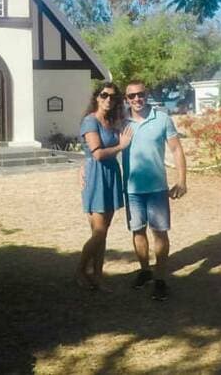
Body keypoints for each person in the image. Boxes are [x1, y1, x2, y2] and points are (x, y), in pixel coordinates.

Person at [122, 80, 187, 301]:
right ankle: (144, 271)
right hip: (131, 189)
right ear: (126, 99)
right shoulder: (121, 122)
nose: (137, 99)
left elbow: (177, 149)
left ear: (146, 95)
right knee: (137, 231)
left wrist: (182, 180)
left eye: (140, 94)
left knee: (160, 232)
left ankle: (160, 279)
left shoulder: (162, 119)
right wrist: (83, 167)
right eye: (132, 96)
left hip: (157, 188)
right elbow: (98, 144)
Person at [77, 82, 133, 291]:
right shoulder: (90, 121)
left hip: (110, 176)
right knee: (99, 232)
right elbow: (97, 153)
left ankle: (97, 276)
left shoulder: (111, 121)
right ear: (97, 97)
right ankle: (80, 271)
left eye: (113, 97)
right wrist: (121, 146)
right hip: (96, 177)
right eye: (104, 95)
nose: (108, 99)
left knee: (103, 231)